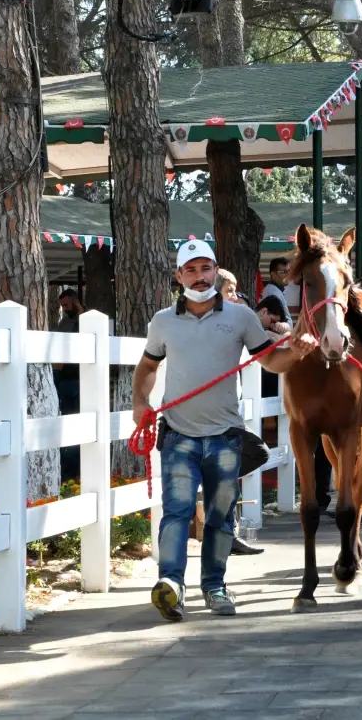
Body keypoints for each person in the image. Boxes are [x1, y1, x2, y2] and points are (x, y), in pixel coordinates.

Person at [133, 240, 317, 621]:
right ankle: (171, 585)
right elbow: (148, 367)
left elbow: (271, 361)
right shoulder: (163, 321)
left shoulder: (241, 317)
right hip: (179, 434)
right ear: (178, 276)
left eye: (206, 269)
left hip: (225, 436)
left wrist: (298, 350)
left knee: (220, 516)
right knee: (177, 513)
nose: (200, 278)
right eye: (191, 270)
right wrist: (140, 403)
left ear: (216, 271)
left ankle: (215, 587)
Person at [54, 289, 84, 479]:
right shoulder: (64, 322)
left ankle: (74, 470)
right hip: (64, 378)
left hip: (78, 379)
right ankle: (68, 470)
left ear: (75, 301)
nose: (64, 309)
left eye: (66, 305)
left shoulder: (84, 320)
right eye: (62, 306)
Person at [261, 258, 292, 323]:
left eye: (289, 271)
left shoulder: (274, 290)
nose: (288, 275)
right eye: (284, 272)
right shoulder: (273, 294)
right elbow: (282, 322)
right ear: (273, 274)